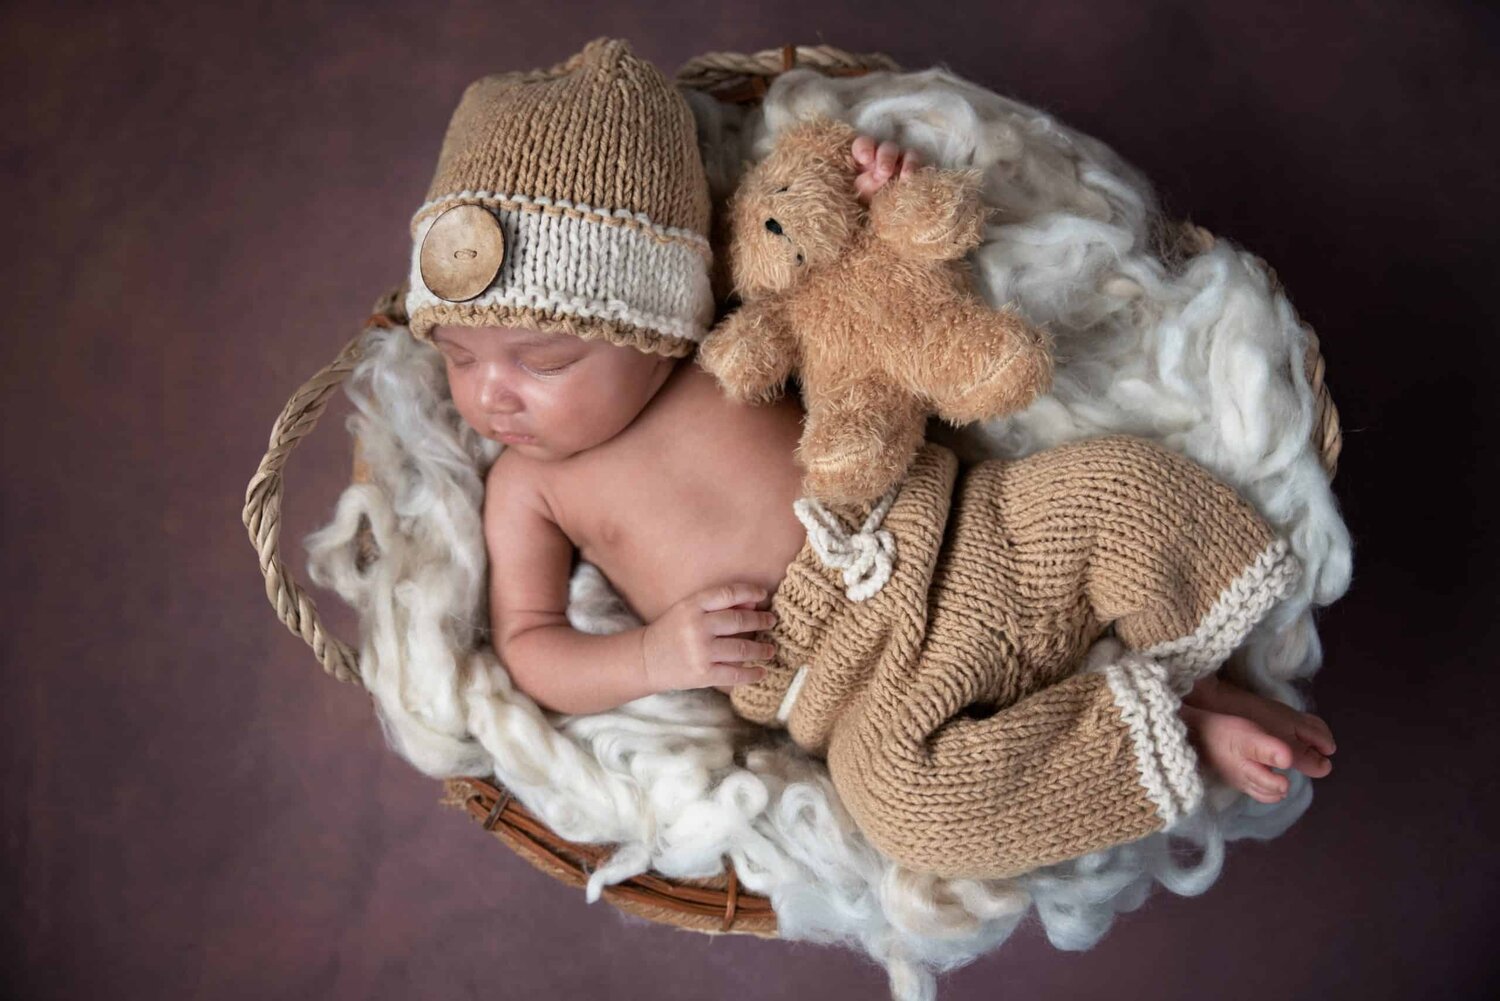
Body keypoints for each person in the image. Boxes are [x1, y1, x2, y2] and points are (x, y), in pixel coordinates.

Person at [405, 37, 1335, 880]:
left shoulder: (718, 332)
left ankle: (1199, 669)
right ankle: (1168, 731)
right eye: (457, 356)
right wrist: (655, 654)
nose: (492, 395)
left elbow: (811, 248)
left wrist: (877, 194)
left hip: (971, 532)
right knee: (905, 809)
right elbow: (531, 647)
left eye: (546, 360)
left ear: (658, 323)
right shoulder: (526, 484)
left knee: (1127, 488)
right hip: (856, 687)